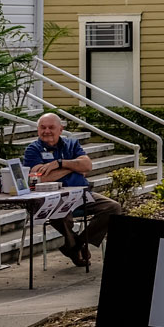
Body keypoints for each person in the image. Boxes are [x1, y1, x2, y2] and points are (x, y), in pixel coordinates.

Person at [21, 113, 122, 266]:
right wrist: (72, 167)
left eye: (51, 127)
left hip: (81, 195)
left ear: (60, 129)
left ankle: (77, 245)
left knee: (113, 207)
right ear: (38, 130)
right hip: (52, 198)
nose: (46, 131)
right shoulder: (33, 149)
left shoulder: (72, 144)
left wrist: (59, 163)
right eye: (43, 127)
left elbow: (87, 166)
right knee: (61, 212)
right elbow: (40, 178)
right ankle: (76, 247)